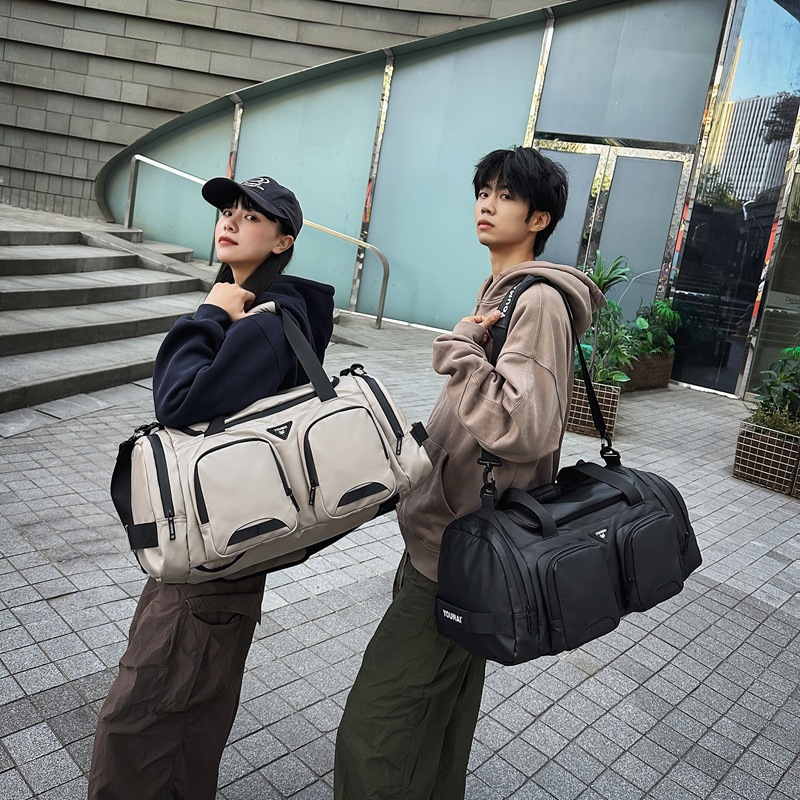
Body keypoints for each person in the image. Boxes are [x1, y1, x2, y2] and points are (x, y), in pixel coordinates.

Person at [334, 146, 605, 799]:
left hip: (459, 558)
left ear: (539, 217)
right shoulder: (507, 292)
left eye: (505, 195)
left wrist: (457, 349)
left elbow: (522, 428)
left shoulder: (535, 300)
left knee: (374, 728)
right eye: (483, 190)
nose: (486, 203)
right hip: (464, 545)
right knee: (438, 724)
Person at [88, 175, 335, 799]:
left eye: (252, 216)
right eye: (227, 210)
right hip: (230, 539)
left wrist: (208, 315)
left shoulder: (261, 322)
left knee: (142, 721)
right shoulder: (273, 313)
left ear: (283, 241)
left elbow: (177, 402)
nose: (230, 220)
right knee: (191, 714)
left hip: (209, 560)